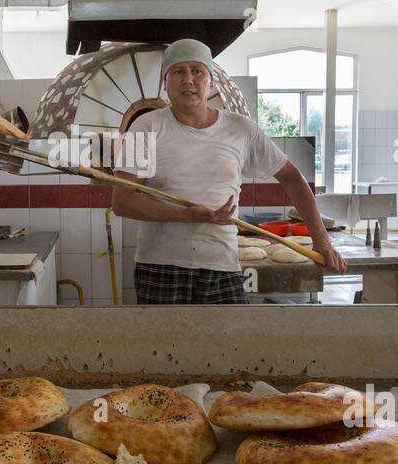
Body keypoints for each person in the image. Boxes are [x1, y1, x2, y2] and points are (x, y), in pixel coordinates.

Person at [112, 39, 346, 304]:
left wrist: (322, 240)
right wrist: (185, 216)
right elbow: (122, 201)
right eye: (178, 72)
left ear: (210, 82)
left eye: (197, 70)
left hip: (221, 264)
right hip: (161, 265)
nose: (188, 79)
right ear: (166, 84)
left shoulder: (241, 129)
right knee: (163, 347)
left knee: (228, 345)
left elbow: (292, 177)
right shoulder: (145, 127)